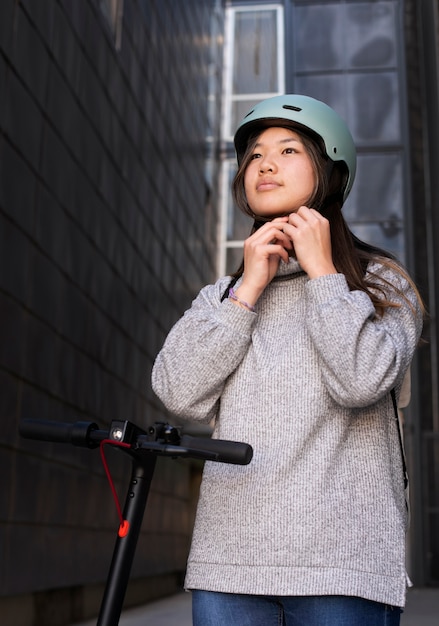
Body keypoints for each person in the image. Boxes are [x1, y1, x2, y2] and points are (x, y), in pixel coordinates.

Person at [151, 94, 424, 626]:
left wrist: (324, 278)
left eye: (288, 149)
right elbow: (177, 391)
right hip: (229, 570)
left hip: (343, 571)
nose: (265, 164)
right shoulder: (223, 296)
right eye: (254, 155)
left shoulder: (383, 286)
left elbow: (361, 381)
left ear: (329, 170)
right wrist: (248, 289)